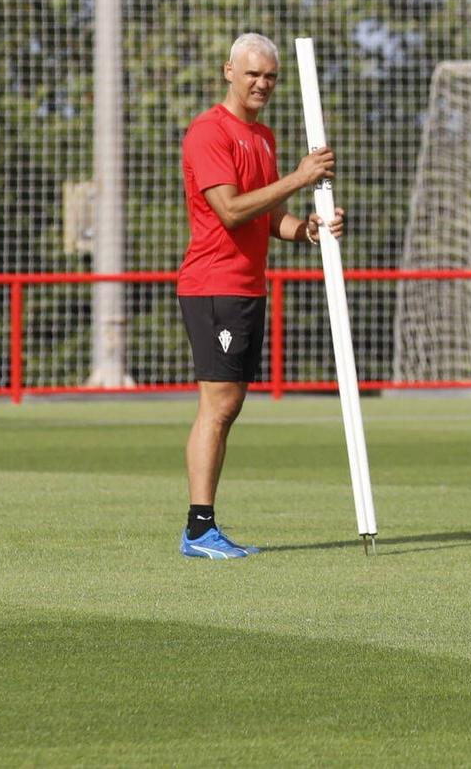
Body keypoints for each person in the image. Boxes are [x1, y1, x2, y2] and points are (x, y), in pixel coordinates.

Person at [176, 32, 343, 559]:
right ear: (229, 72)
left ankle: (203, 529)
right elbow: (230, 210)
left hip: (247, 285)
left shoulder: (263, 136)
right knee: (218, 405)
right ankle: (199, 529)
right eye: (252, 74)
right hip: (213, 284)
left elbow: (270, 218)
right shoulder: (209, 132)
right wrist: (299, 176)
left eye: (270, 76)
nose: (262, 83)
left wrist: (310, 230)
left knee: (229, 405)